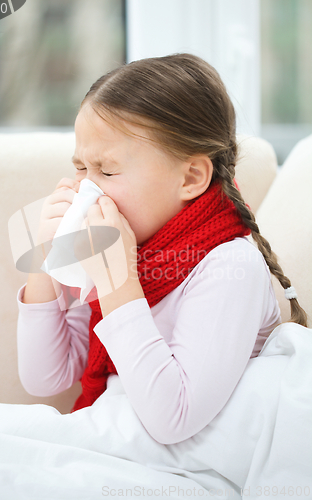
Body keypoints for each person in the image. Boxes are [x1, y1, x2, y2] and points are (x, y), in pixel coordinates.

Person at [16, 53, 308, 445]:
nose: (87, 188)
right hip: (110, 435)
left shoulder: (229, 266)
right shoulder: (119, 251)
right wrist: (45, 260)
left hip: (177, 461)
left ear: (190, 177)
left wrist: (120, 282)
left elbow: (175, 419)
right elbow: (44, 377)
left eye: (107, 170)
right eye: (82, 168)